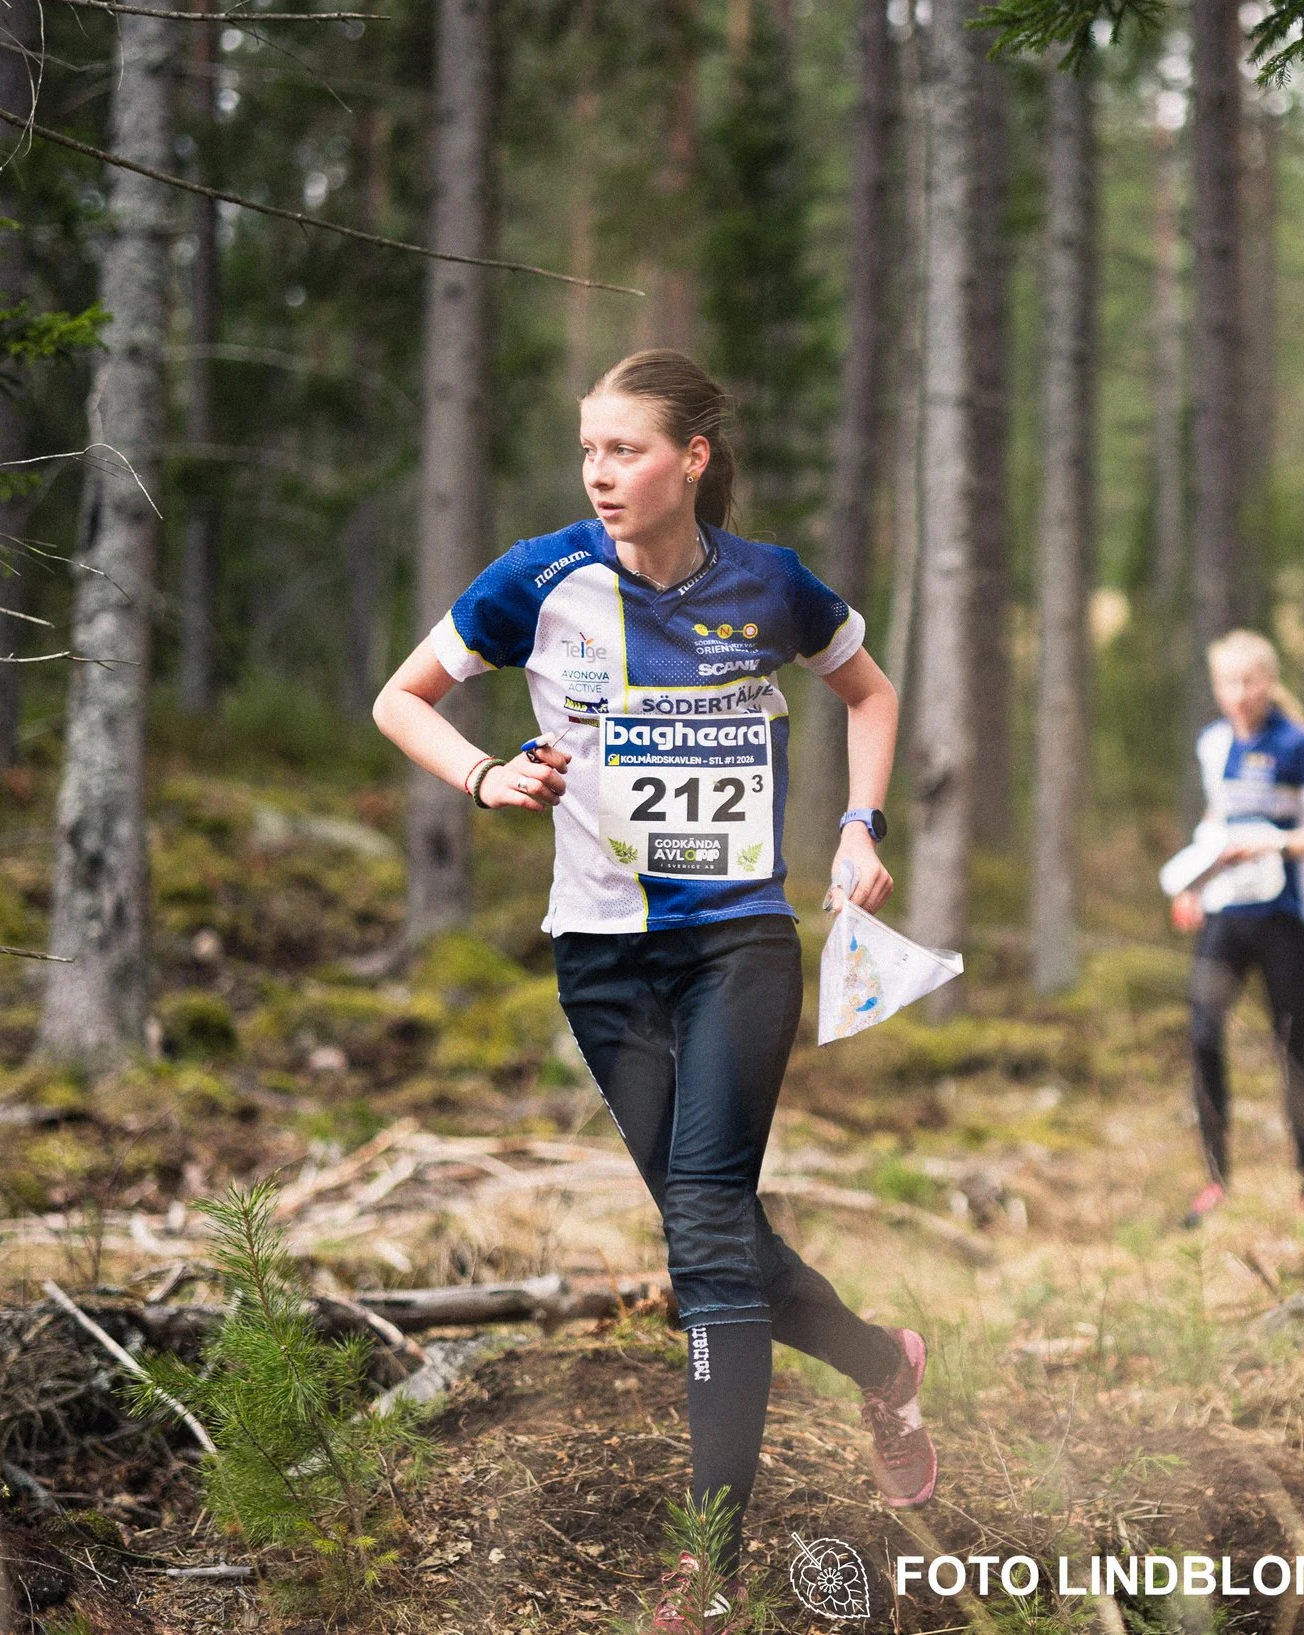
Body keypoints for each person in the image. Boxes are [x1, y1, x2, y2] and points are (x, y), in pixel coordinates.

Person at [371, 350, 935, 1595]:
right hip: (600, 956)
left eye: (624, 449)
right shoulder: (539, 577)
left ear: (691, 458)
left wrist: (859, 826)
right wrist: (484, 774)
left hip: (738, 942)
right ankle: (884, 1365)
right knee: (715, 1226)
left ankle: (709, 1573)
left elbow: (869, 692)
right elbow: (399, 699)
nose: (600, 471)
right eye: (588, 449)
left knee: (708, 1248)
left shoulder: (770, 584)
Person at [1167, 631, 1304, 1226]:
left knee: (1291, 1050)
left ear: (1269, 682)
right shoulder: (1213, 743)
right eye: (1228, 682)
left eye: (1249, 681)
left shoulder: (1298, 745)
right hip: (1226, 916)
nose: (1239, 693)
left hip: (1287, 921)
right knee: (1202, 1037)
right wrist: (1193, 886)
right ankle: (1216, 1181)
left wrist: (1275, 843)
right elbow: (1216, 819)